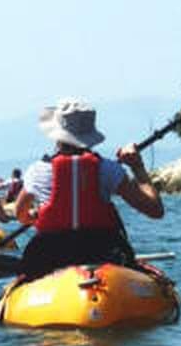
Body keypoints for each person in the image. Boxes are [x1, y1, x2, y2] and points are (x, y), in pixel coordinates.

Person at [14, 98, 164, 280]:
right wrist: (137, 166)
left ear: (57, 136)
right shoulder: (109, 170)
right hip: (103, 252)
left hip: (50, 256)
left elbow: (20, 215)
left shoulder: (37, 171)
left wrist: (36, 216)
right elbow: (155, 210)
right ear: (90, 136)